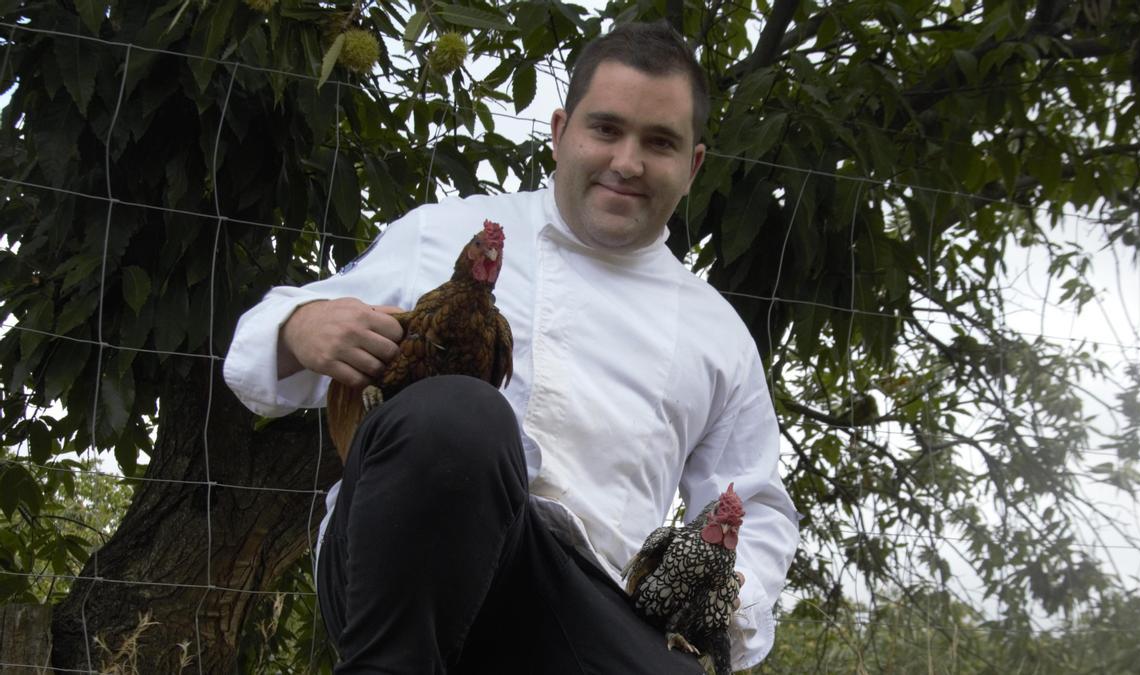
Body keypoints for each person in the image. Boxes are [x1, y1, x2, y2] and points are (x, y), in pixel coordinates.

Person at [224, 20, 800, 674]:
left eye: (659, 141)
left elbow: (756, 504)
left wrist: (719, 618)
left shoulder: (717, 335)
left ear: (693, 165)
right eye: (605, 129)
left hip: (581, 606)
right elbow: (253, 358)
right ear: (560, 133)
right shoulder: (443, 233)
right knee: (463, 417)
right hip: (398, 569)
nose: (627, 162)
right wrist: (303, 326)